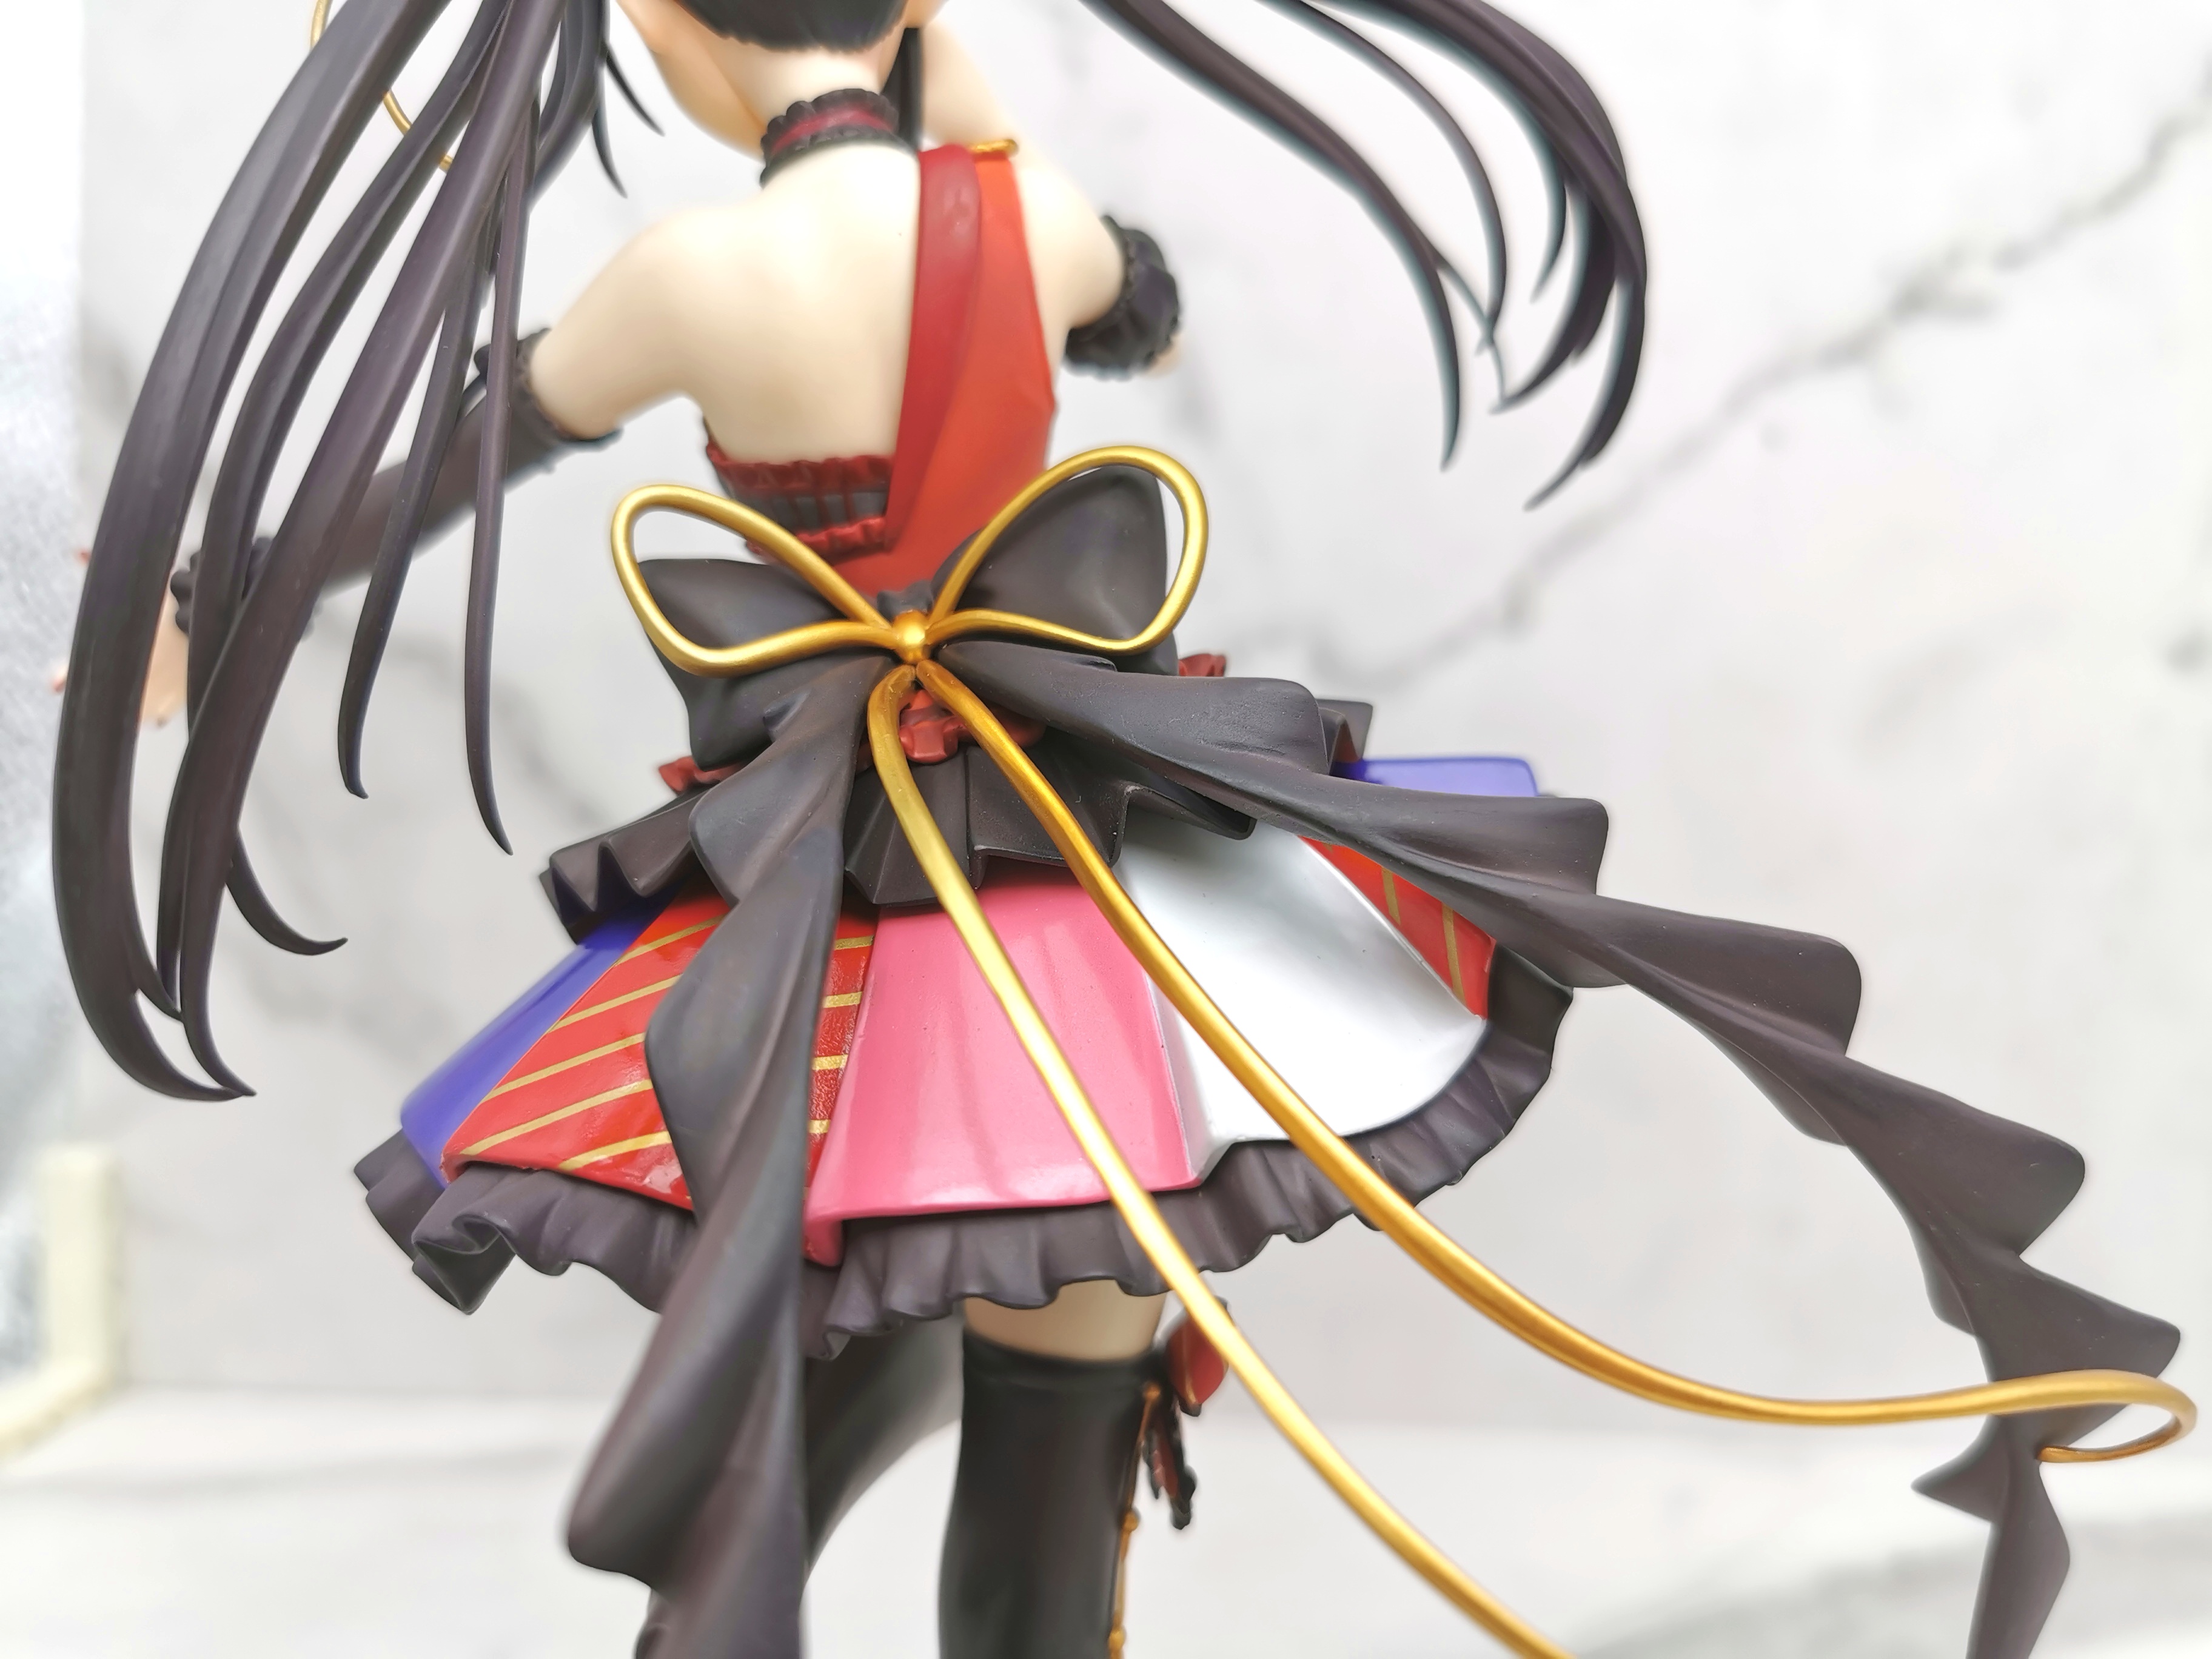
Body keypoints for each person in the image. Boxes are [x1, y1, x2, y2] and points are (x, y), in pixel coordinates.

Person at [51, 2, 2185, 1657]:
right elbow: (1137, 307)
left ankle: (734, 1557)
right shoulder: (1036, 221)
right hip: (1088, 891)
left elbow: (436, 465)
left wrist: (200, 619)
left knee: (828, 1301)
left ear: (675, 33)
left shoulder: (695, 272)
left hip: (839, 905)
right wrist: (969, 126)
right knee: (1049, 1399)